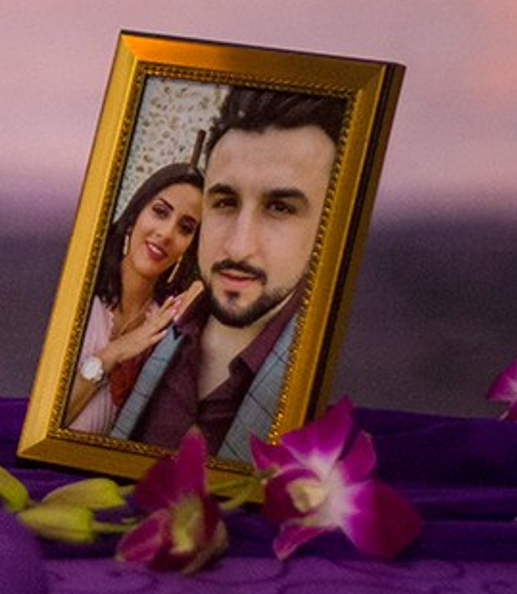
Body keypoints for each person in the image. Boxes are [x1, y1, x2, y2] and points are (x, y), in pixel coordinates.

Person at [113, 85, 345, 460]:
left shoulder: (325, 371)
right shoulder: (162, 330)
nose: (238, 246)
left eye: (280, 208)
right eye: (224, 202)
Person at [65, 162, 205, 435]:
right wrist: (114, 353)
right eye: (160, 212)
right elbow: (38, 424)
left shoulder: (163, 325)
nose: (166, 233)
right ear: (134, 217)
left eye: (186, 228)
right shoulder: (80, 293)